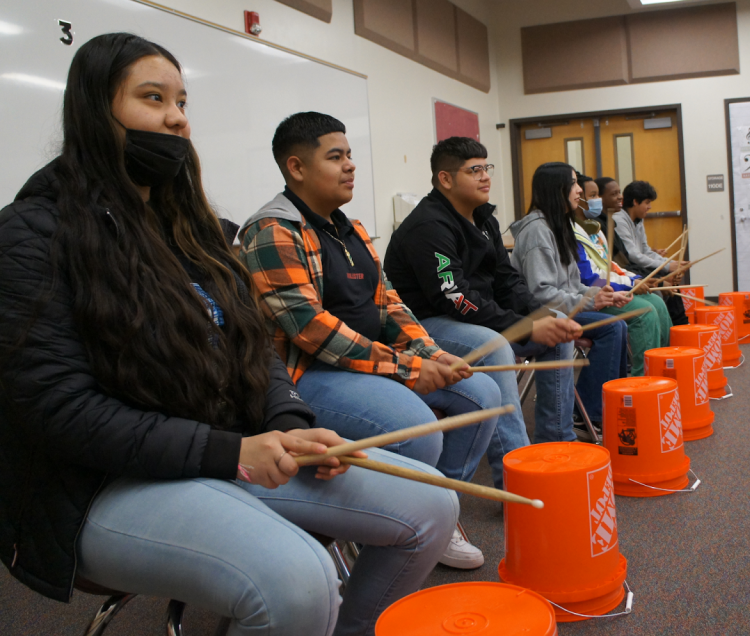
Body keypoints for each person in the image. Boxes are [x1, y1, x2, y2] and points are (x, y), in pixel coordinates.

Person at [0, 33, 457, 636]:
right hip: (102, 485)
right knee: (299, 579)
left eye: (183, 101)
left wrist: (288, 423)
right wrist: (231, 452)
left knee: (435, 503)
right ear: (93, 111)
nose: (176, 118)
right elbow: (59, 410)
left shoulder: (198, 229)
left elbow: (251, 347)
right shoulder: (32, 232)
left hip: (224, 450)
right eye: (153, 97)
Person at [239, 113, 498, 569]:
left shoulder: (353, 229)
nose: (350, 166)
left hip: (365, 363)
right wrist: (405, 368)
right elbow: (311, 329)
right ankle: (402, 529)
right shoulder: (271, 231)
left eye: (350, 155)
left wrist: (432, 354)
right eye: (335, 157)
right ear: (297, 168)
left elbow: (391, 306)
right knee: (417, 428)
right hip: (307, 375)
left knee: (481, 394)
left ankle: (441, 508)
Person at [383, 137, 582, 469]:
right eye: (474, 170)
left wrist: (541, 316)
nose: (485, 176)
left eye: (486, 167)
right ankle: (516, 471)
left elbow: (507, 281)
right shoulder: (428, 226)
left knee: (557, 325)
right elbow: (454, 297)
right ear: (445, 179)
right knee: (493, 344)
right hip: (424, 327)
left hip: (471, 319)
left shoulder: (484, 219)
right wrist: (526, 326)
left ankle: (556, 442)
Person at [510, 163, 629, 425]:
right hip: (542, 316)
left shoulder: (559, 225)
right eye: (574, 184)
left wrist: (602, 294)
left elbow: (573, 284)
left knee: (615, 325)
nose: (579, 191)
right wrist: (590, 300)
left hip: (565, 309)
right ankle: (589, 412)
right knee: (613, 327)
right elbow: (538, 294)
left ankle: (603, 405)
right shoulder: (537, 231)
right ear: (556, 189)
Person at [574, 174, 672, 376]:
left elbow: (611, 265)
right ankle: (642, 380)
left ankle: (663, 369)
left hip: (609, 287)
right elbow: (590, 279)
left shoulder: (596, 230)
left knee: (658, 302)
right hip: (592, 296)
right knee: (644, 311)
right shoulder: (572, 233)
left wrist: (637, 279)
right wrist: (629, 283)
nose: (597, 201)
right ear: (578, 198)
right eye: (593, 195)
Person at [613, 180, 683, 274]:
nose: (650, 207)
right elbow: (633, 255)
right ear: (635, 202)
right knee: (663, 281)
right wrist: (666, 266)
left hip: (637, 267)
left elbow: (646, 251)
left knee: (670, 277)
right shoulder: (619, 220)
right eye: (647, 202)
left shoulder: (638, 219)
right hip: (628, 271)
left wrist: (672, 263)